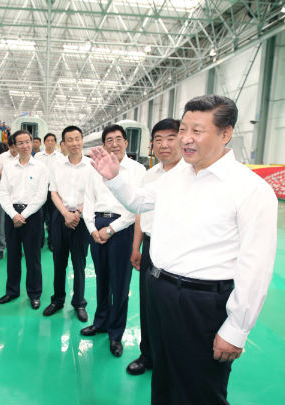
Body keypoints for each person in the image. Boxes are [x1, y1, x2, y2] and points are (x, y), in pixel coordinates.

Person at [91, 95, 278, 405]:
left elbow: (256, 266)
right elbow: (139, 201)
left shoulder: (250, 189)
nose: (186, 139)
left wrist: (237, 328)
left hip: (202, 304)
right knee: (163, 382)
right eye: (184, 130)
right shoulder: (176, 175)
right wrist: (114, 179)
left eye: (197, 131)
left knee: (198, 390)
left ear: (225, 133)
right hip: (160, 291)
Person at [81, 124, 146, 358]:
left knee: (120, 285)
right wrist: (92, 229)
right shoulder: (94, 168)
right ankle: (100, 322)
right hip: (98, 226)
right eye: (109, 140)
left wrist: (111, 229)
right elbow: (88, 200)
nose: (114, 144)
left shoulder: (137, 170)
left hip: (122, 228)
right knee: (102, 279)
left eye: (119, 139)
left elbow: (136, 207)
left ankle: (116, 333)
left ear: (126, 143)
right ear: (104, 145)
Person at [126, 118, 182, 376]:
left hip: (177, 248)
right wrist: (136, 247)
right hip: (149, 245)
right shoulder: (149, 175)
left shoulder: (190, 175)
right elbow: (140, 212)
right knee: (148, 304)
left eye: (170, 138)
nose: (164, 145)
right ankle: (147, 354)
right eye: (158, 139)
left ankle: (170, 359)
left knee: (174, 307)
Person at [42, 126, 91, 322]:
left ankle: (79, 303)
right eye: (70, 139)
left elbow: (93, 194)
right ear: (63, 144)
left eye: (77, 138)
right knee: (59, 262)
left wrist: (77, 214)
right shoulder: (57, 166)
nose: (74, 143)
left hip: (82, 219)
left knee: (79, 264)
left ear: (82, 140)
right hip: (60, 218)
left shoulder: (91, 166)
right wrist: (65, 214)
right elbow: (53, 192)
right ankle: (58, 300)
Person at [0, 130, 49, 309]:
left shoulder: (40, 167)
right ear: (14, 146)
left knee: (33, 257)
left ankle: (34, 293)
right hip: (12, 214)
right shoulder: (9, 167)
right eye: (20, 143)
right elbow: (3, 193)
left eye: (28, 142)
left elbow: (41, 196)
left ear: (32, 143)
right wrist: (13, 214)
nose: (25, 146)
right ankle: (12, 291)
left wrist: (23, 215)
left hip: (32, 215)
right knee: (12, 255)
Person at [34, 133, 63, 251]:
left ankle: (52, 241)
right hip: (40, 189)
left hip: (54, 190)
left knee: (53, 218)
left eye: (52, 140)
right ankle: (39, 241)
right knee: (39, 217)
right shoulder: (38, 156)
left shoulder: (60, 157)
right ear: (44, 142)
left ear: (55, 143)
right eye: (48, 140)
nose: (50, 143)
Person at [0, 136, 18, 259]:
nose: (14, 149)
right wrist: (8, 170)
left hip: (19, 193)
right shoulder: (2, 157)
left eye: (16, 146)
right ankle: (0, 247)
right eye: (12, 147)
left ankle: (16, 247)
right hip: (4, 192)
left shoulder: (23, 156)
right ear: (9, 146)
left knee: (18, 220)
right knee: (1, 221)